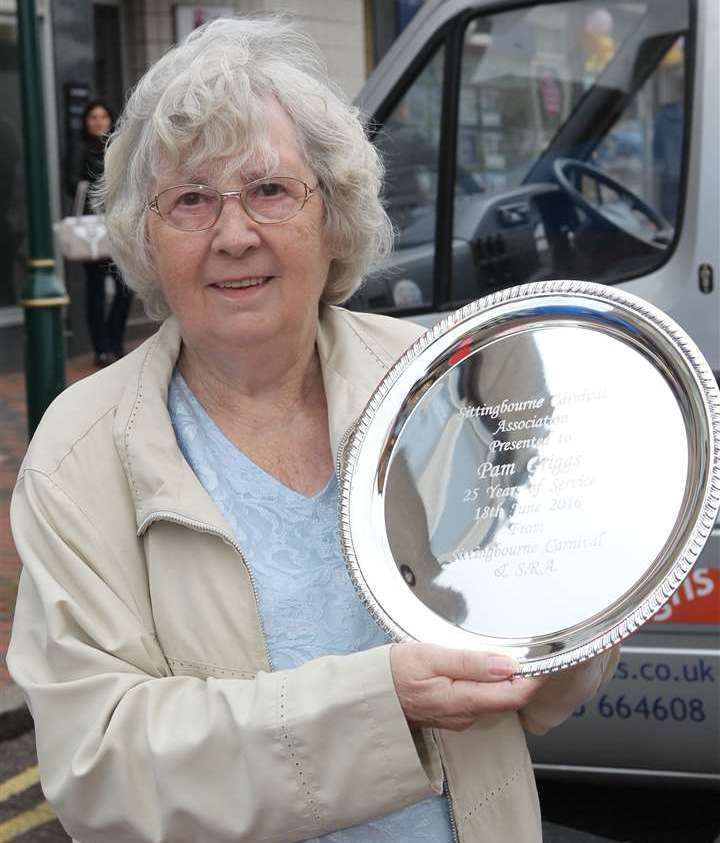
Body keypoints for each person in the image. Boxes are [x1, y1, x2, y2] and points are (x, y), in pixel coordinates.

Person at [9, 17, 617, 843]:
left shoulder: (435, 382)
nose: (232, 234)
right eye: (190, 198)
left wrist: (594, 591)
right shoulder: (80, 448)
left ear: (332, 217)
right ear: (143, 235)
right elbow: (99, 767)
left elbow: (538, 676)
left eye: (269, 190)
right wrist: (381, 703)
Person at [69, 99, 133, 366]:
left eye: (102, 117)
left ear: (110, 120)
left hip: (118, 226)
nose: (98, 122)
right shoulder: (80, 151)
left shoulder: (118, 149)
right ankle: (101, 348)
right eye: (93, 117)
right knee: (95, 290)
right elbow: (72, 184)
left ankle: (115, 341)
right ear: (86, 122)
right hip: (93, 231)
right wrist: (98, 194)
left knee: (126, 287)